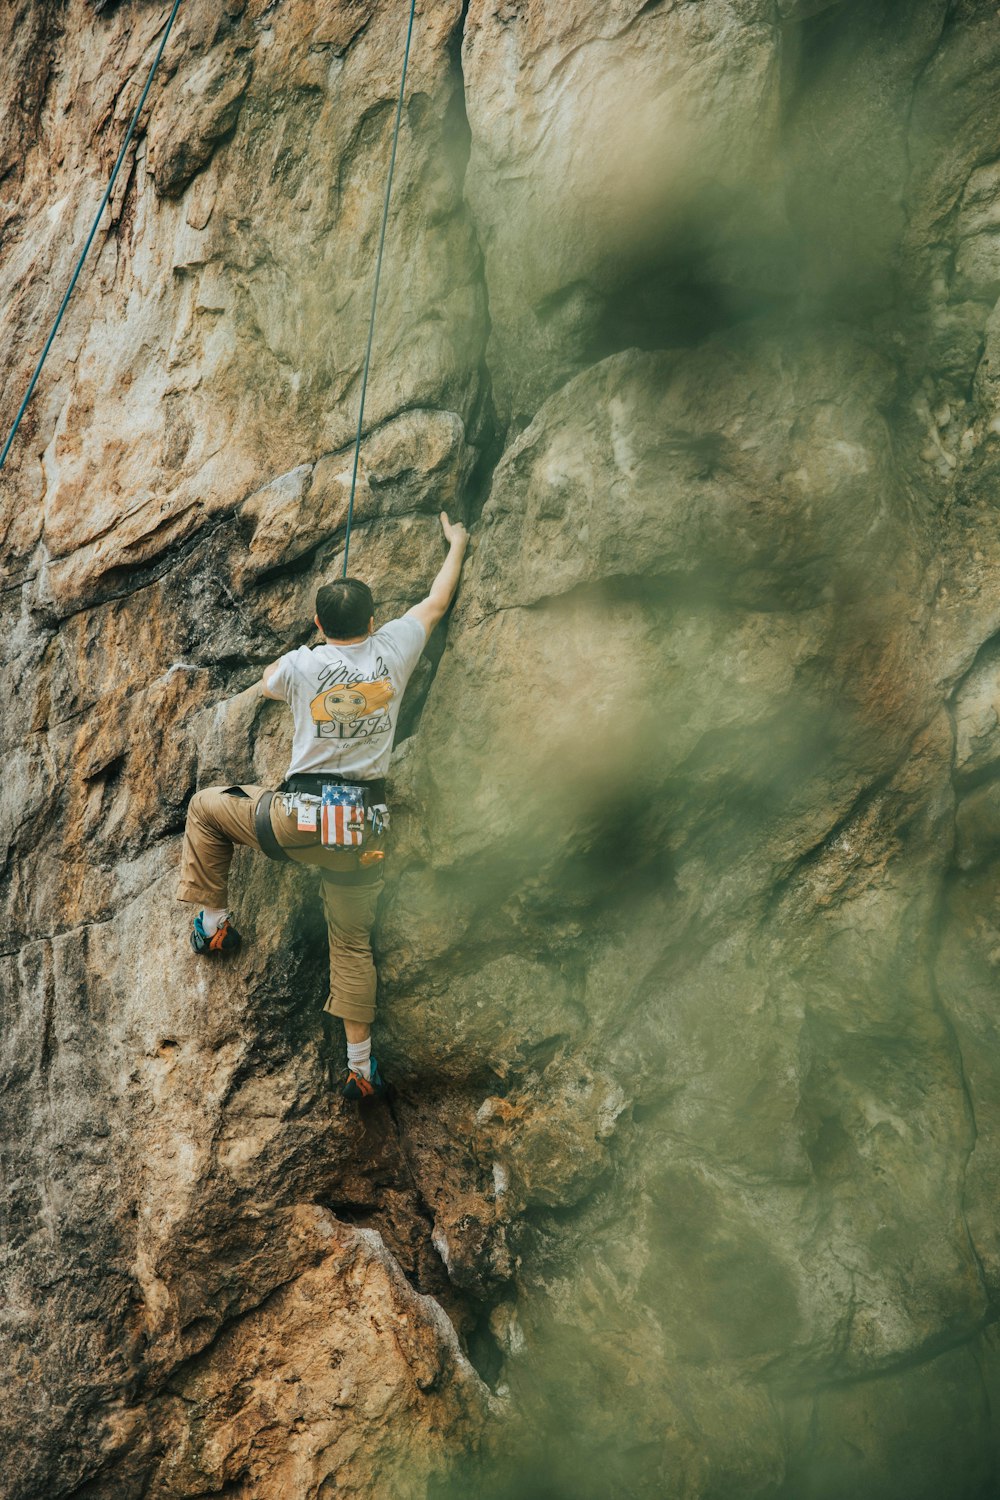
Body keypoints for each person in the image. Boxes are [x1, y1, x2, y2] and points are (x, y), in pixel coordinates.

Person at [176, 510, 470, 1099]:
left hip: (297, 820)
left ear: (317, 621)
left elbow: (265, 682)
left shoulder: (302, 665)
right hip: (361, 830)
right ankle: (360, 1067)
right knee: (353, 941)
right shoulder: (395, 647)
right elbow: (436, 602)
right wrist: (457, 543)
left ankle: (213, 927)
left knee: (207, 808)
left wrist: (310, 651)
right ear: (372, 617)